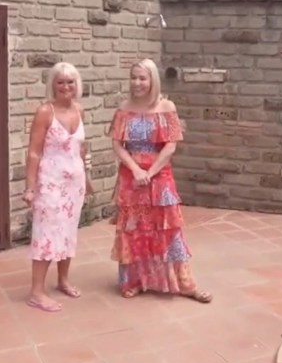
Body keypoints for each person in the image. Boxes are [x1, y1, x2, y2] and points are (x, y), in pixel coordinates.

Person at [109, 59, 212, 303]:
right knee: (134, 228)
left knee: (169, 229)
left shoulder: (167, 106)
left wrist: (151, 171)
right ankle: (134, 280)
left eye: (142, 78)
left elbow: (171, 144)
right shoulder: (124, 107)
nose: (137, 83)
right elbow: (116, 143)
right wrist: (135, 169)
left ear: (153, 79)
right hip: (131, 176)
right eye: (134, 77)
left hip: (160, 176)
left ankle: (185, 284)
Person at [23, 62, 92, 312]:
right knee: (46, 234)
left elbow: (80, 149)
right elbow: (33, 152)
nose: (66, 86)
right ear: (52, 85)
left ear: (77, 84)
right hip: (50, 183)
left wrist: (89, 179)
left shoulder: (80, 111)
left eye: (70, 81)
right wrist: (30, 187)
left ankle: (63, 279)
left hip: (75, 184)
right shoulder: (45, 112)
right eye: (60, 82)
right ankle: (36, 291)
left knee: (68, 230)